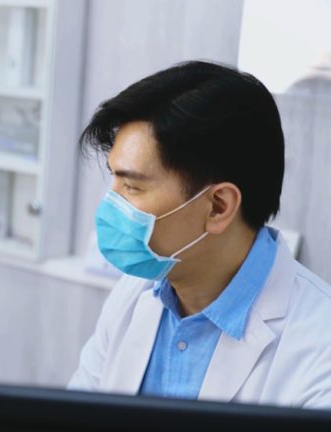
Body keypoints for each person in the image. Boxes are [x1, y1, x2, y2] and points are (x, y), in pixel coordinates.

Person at [68, 61, 331, 407]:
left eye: (132, 187)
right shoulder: (133, 294)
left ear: (218, 207)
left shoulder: (320, 348)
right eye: (114, 180)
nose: (110, 204)